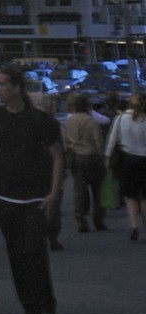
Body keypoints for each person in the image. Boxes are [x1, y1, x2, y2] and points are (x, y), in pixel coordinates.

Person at [0, 63, 64, 314]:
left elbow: (58, 157)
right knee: (16, 259)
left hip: (36, 200)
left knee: (35, 256)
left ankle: (48, 310)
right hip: (5, 199)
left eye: (2, 84)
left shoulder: (39, 120)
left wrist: (54, 193)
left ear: (16, 87)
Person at [63, 92, 108, 232]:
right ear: (88, 106)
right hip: (92, 158)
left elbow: (66, 141)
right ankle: (98, 220)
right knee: (98, 191)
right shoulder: (91, 122)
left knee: (79, 191)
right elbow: (99, 143)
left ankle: (81, 219)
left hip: (76, 158)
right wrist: (104, 159)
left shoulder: (69, 121)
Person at [106, 91, 146, 241]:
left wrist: (107, 158)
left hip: (127, 160)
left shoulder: (121, 118)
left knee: (130, 196)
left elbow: (112, 140)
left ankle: (133, 225)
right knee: (144, 197)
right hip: (144, 161)